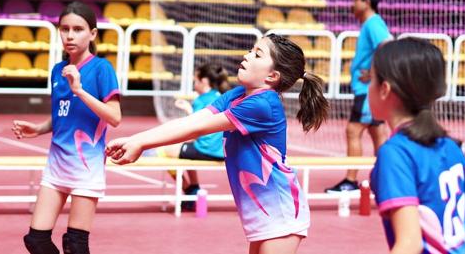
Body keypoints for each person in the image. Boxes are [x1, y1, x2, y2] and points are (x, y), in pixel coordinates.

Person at [107, 34, 329, 254]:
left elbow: (196, 129)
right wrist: (136, 140)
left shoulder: (262, 104)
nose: (247, 55)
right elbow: (192, 120)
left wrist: (142, 144)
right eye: (251, 50)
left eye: (257, 54)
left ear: (272, 75)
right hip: (262, 213)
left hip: (280, 210)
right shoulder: (238, 95)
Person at [369, 38, 465, 254]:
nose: (367, 88)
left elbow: (410, 243)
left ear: (384, 89)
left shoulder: (395, 153)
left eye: (370, 80)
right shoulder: (450, 146)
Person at [11, 2, 121, 254]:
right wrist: (38, 129)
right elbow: (66, 116)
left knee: (75, 245)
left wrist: (79, 90)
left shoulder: (102, 69)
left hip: (85, 164)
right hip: (56, 164)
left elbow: (114, 117)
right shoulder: (57, 70)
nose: (70, 35)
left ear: (92, 34)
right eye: (64, 29)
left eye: (78, 29)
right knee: (36, 240)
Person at [325, 0, 392, 193]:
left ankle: (351, 181)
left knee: (353, 130)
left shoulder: (373, 23)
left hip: (367, 89)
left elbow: (387, 44)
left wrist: (374, 72)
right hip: (368, 88)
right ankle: (385, 179)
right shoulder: (371, 24)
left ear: (367, 3)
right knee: (378, 133)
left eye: (355, 0)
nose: (352, 4)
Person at [158, 62, 230, 209]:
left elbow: (194, 129)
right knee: (186, 151)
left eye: (195, 81)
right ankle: (194, 187)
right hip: (223, 151)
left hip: (207, 150)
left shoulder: (202, 100)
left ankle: (190, 190)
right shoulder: (223, 98)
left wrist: (187, 110)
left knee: (162, 152)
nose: (194, 84)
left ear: (204, 82)